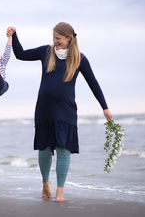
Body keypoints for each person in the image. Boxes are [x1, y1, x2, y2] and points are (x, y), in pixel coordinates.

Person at [8, 23, 112, 203]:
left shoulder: (80, 58)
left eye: (58, 38)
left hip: (66, 110)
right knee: (45, 149)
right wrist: (13, 35)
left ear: (69, 38)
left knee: (64, 150)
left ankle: (60, 192)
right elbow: (21, 54)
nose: (54, 41)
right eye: (53, 37)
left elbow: (93, 83)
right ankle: (45, 182)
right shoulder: (45, 52)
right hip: (44, 109)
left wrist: (105, 107)